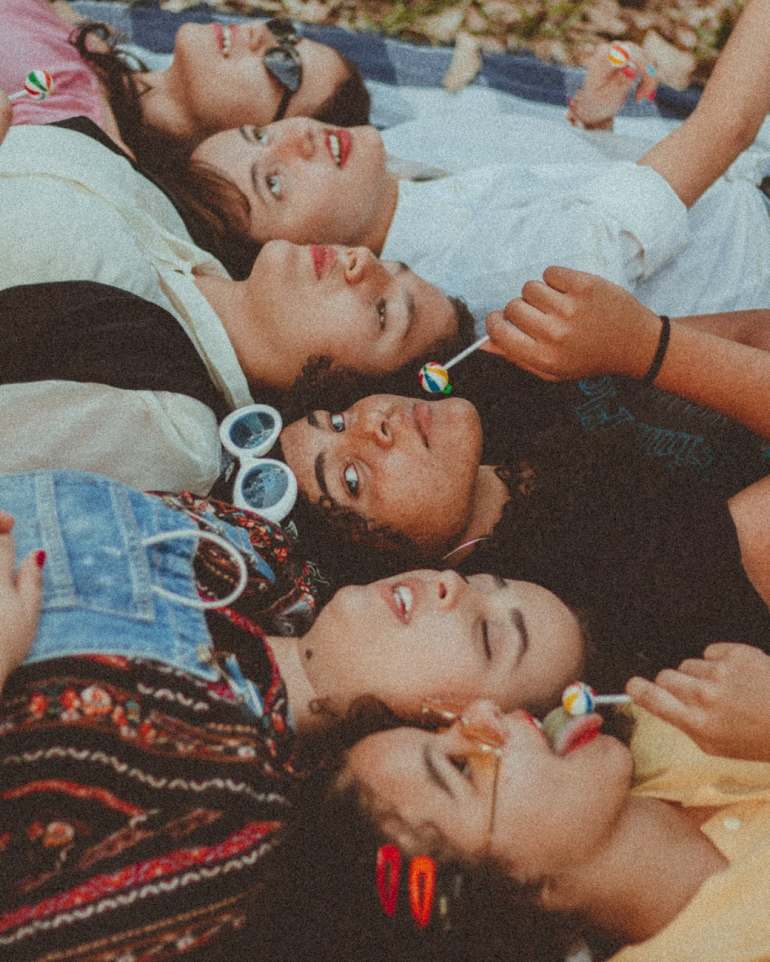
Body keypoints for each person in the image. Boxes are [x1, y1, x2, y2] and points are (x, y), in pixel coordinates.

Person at [0, 470, 589, 959]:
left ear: (447, 726)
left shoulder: (230, 828)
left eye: (488, 636)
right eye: (479, 579)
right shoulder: (257, 551)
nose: (449, 585)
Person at [193, 0, 770, 324]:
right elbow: (718, 136)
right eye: (274, 183)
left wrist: (592, 121)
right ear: (299, 259)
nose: (296, 139)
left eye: (261, 131)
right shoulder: (472, 279)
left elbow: (558, 182)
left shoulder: (407, 147)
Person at [0, 122, 470, 492]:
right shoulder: (154, 200)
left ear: (336, 397)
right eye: (389, 263)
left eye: (384, 312)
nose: (363, 262)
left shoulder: (172, 429)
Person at [278, 379, 770, 676]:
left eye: (337, 421)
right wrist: (647, 347)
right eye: (351, 479)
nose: (372, 426)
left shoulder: (507, 393)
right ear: (380, 562)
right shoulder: (608, 568)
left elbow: (755, 332)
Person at [248, 689, 770, 962]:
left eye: (441, 728)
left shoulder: (680, 726)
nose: (482, 711)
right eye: (459, 767)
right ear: (509, 894)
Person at [2, 0, 369, 148]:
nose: (261, 33)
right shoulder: (95, 50)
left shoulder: (74, 129)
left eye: (284, 66)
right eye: (284, 31)